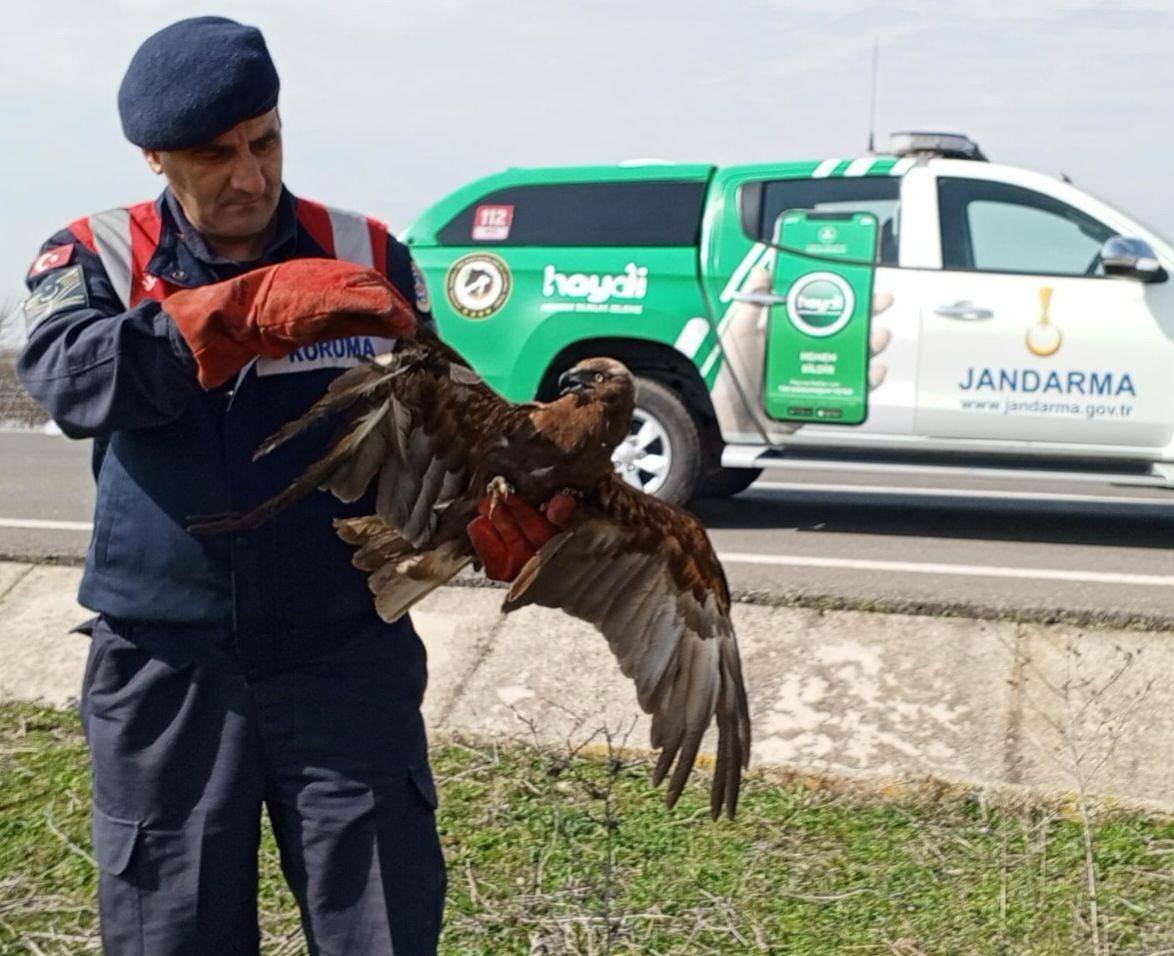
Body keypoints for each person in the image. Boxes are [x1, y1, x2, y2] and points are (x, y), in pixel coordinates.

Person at [17, 16, 553, 955]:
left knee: (381, 923)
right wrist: (234, 316)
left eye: (264, 142)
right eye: (213, 156)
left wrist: (495, 500)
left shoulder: (368, 251)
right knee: (170, 929)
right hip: (169, 669)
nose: (249, 176)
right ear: (154, 157)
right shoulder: (96, 253)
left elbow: (439, 417)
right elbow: (72, 381)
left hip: (342, 659)